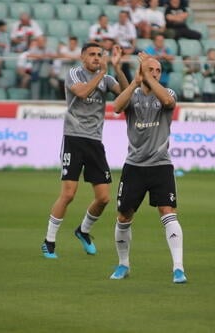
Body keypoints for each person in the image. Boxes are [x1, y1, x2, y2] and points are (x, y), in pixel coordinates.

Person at [41, 43, 129, 259]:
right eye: (92, 54)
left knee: (104, 198)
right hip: (73, 138)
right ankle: (49, 242)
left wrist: (117, 69)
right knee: (69, 193)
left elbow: (127, 96)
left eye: (100, 55)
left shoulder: (106, 78)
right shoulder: (74, 73)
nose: (97, 58)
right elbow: (81, 92)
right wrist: (102, 74)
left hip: (94, 141)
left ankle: (83, 231)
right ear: (82, 57)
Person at [109, 53, 187, 284]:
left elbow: (168, 103)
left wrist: (147, 75)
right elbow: (116, 107)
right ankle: (123, 264)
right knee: (124, 216)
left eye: (158, 71)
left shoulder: (167, 93)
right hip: (134, 166)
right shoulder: (132, 97)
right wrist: (135, 80)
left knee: (168, 211)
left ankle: (178, 268)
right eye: (150, 69)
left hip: (161, 165)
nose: (154, 73)